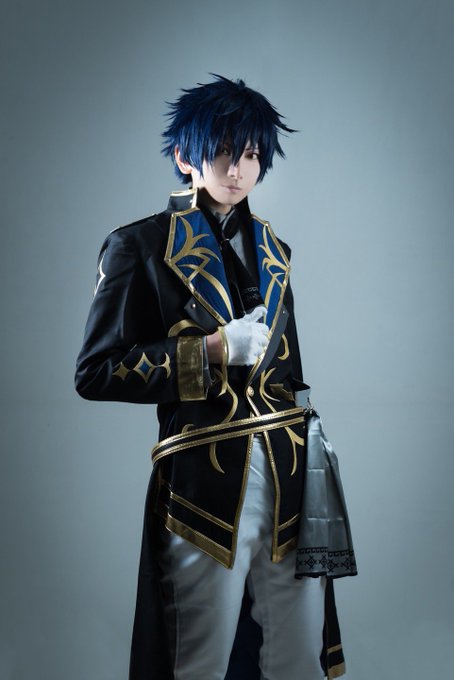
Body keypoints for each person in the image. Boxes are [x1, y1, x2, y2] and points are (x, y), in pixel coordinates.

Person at [75, 75, 349, 680]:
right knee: (196, 661)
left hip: (291, 476)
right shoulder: (138, 245)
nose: (236, 169)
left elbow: (291, 375)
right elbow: (96, 371)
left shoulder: (275, 250)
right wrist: (212, 350)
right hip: (204, 484)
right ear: (185, 155)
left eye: (249, 153)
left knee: (298, 658)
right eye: (222, 151)